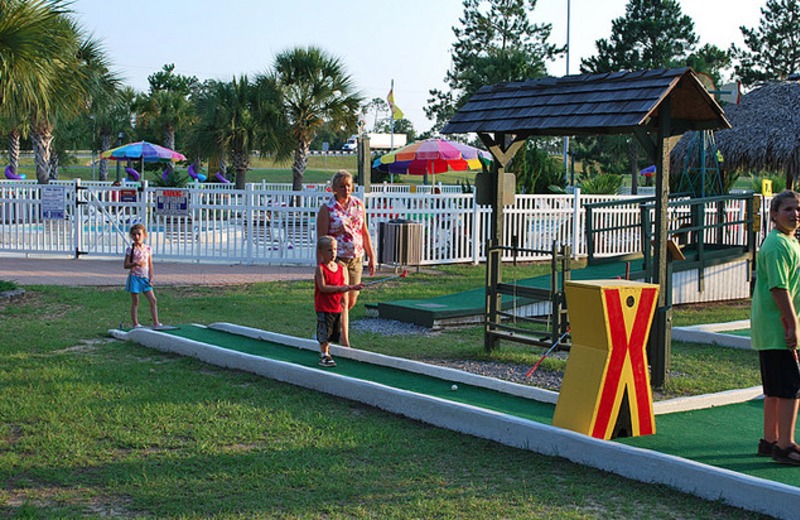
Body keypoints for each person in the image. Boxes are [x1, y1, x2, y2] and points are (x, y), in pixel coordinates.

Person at [751, 189, 800, 465]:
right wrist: (792, 326)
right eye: (788, 209)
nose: (795, 214)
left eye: (798, 209)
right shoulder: (778, 245)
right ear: (774, 215)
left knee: (774, 388)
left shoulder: (787, 241)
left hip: (772, 327)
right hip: (778, 326)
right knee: (791, 387)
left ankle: (769, 439)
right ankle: (785, 445)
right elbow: (779, 288)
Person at [316, 170, 375, 312]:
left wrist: (371, 256)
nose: (346, 189)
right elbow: (321, 239)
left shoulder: (358, 204)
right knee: (341, 298)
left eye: (348, 185)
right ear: (334, 189)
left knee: (352, 299)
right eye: (342, 186)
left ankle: (339, 327)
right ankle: (338, 331)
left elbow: (364, 232)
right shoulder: (327, 208)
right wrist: (321, 266)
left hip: (356, 258)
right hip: (337, 259)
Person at [314, 236, 364, 366]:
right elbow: (323, 287)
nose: (333, 253)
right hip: (323, 306)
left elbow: (344, 288)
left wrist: (352, 287)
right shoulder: (320, 269)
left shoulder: (340, 269)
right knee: (325, 331)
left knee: (334, 331)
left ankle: (328, 350)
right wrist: (342, 288)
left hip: (336, 307)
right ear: (321, 252)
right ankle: (324, 355)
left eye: (335, 249)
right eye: (329, 250)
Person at [124, 223, 161, 329]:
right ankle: (135, 323)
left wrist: (151, 277)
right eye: (134, 235)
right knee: (136, 301)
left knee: (153, 300)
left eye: (139, 234)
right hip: (135, 277)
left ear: (144, 235)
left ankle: (156, 322)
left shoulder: (148, 249)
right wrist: (136, 264)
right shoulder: (131, 250)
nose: (137, 237)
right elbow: (126, 265)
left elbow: (150, 264)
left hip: (145, 278)